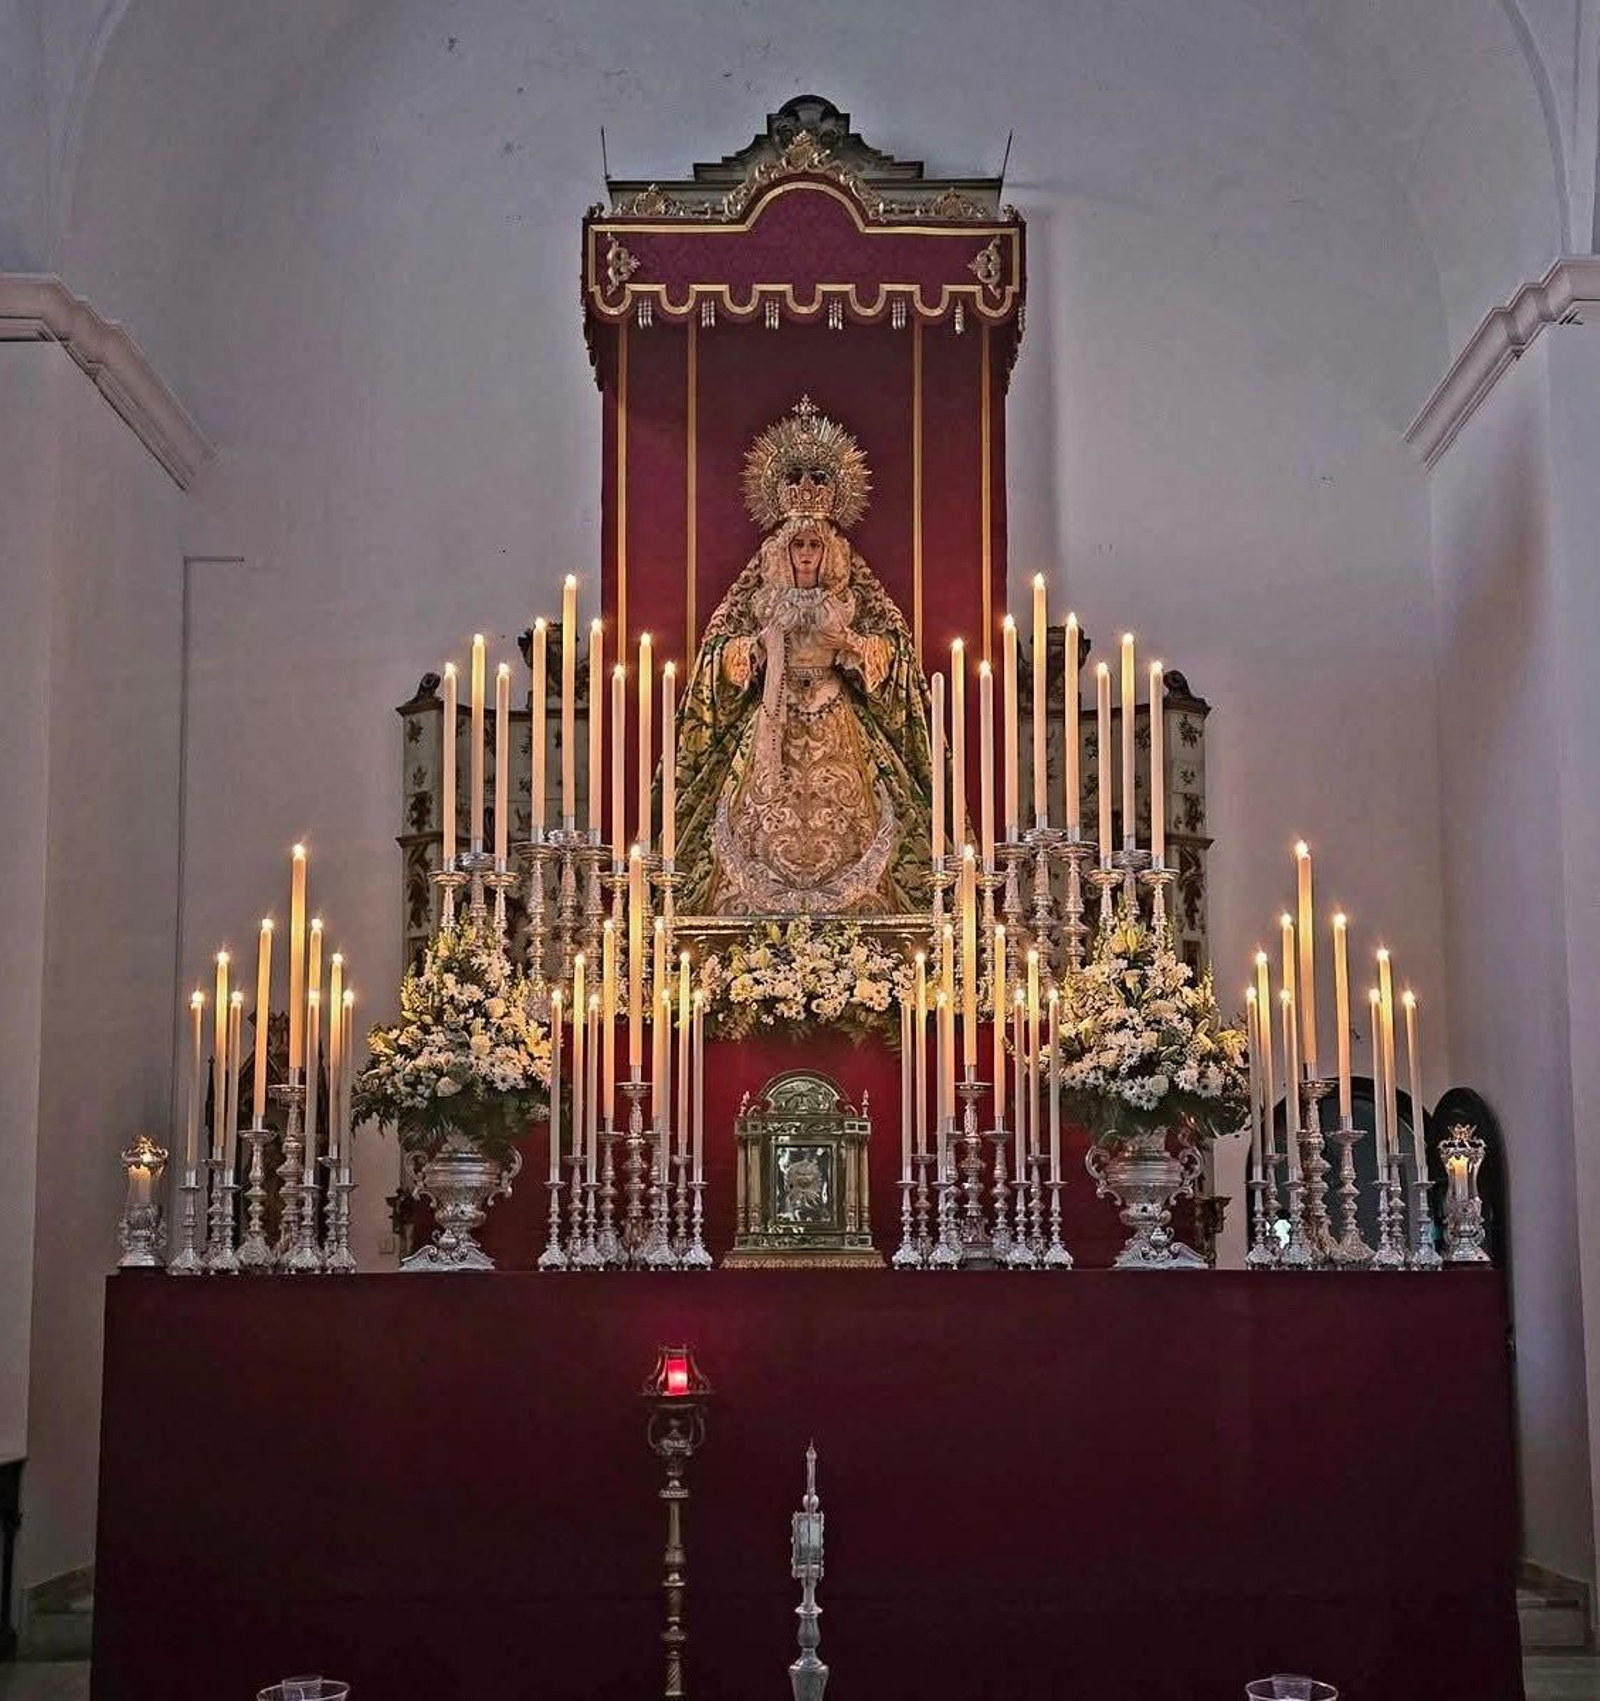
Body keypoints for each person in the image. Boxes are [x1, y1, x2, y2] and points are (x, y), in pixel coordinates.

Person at [673, 398, 932, 915]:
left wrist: (854, 647)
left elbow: (891, 652)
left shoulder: (851, 597)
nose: (807, 555)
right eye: (798, 546)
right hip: (773, 718)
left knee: (859, 821)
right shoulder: (761, 597)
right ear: (783, 550)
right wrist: (756, 649)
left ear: (829, 549)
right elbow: (718, 652)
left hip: (837, 717)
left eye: (815, 545)